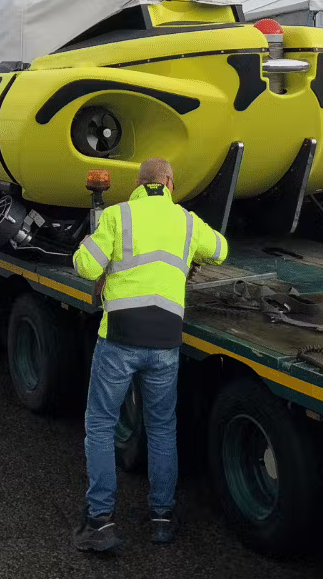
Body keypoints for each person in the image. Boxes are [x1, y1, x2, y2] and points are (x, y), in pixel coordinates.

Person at [71, 156, 228, 552]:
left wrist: (92, 242)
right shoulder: (187, 222)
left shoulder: (117, 216)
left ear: (138, 185)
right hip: (165, 343)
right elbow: (221, 250)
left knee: (101, 425)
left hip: (119, 339)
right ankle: (162, 517)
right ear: (170, 183)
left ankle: (100, 521)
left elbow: (85, 267)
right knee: (161, 428)